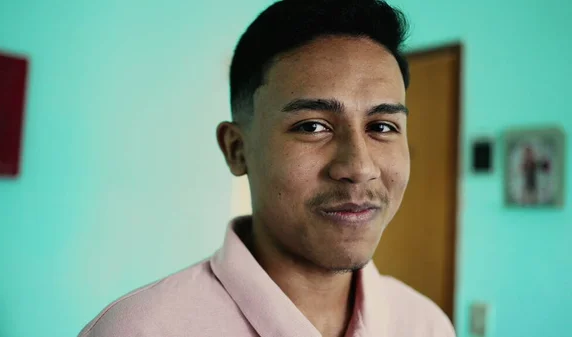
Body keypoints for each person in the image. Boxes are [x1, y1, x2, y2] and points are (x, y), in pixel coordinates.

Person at [78, 0, 456, 336]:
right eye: (312, 126)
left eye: (382, 127)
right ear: (237, 149)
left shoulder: (426, 325)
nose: (358, 166)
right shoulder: (140, 330)